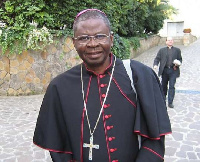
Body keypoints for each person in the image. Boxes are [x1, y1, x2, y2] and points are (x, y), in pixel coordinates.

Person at [33, 9, 171, 162]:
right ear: (74, 42)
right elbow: (59, 149)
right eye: (84, 38)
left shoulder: (140, 76)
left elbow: (155, 140)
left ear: (111, 39)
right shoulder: (59, 87)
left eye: (100, 36)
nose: (92, 44)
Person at [153, 37, 182, 108]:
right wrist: (155, 65)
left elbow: (180, 59)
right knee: (163, 86)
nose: (170, 41)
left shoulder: (177, 50)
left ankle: (170, 102)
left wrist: (178, 63)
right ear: (166, 42)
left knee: (172, 86)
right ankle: (163, 100)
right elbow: (157, 59)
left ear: (173, 41)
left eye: (171, 40)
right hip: (164, 70)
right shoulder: (161, 50)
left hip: (173, 70)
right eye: (169, 40)